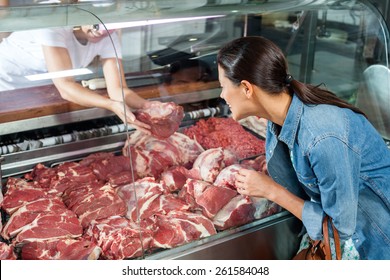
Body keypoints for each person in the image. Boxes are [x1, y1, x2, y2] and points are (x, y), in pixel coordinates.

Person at [217, 36, 390, 260]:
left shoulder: (322, 135)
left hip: (371, 243)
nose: (222, 95)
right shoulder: (277, 117)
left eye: (223, 87)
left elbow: (339, 230)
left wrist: (271, 191)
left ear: (247, 89)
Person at [0, 25, 161, 133]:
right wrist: (111, 104)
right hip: (5, 88)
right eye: (96, 25)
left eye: (110, 27)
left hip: (44, 92)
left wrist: (146, 105)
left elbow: (118, 89)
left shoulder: (107, 33)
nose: (101, 31)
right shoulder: (54, 25)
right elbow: (65, 86)